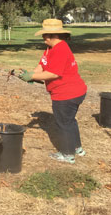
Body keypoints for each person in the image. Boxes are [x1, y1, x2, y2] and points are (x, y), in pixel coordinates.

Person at [18, 19, 87, 164]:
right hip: (73, 91)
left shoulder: (61, 49)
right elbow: (42, 66)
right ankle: (77, 148)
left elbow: (53, 73)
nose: (43, 39)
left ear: (51, 36)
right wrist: (31, 74)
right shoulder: (51, 48)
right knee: (69, 121)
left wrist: (32, 76)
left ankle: (68, 154)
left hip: (67, 94)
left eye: (44, 36)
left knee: (64, 123)